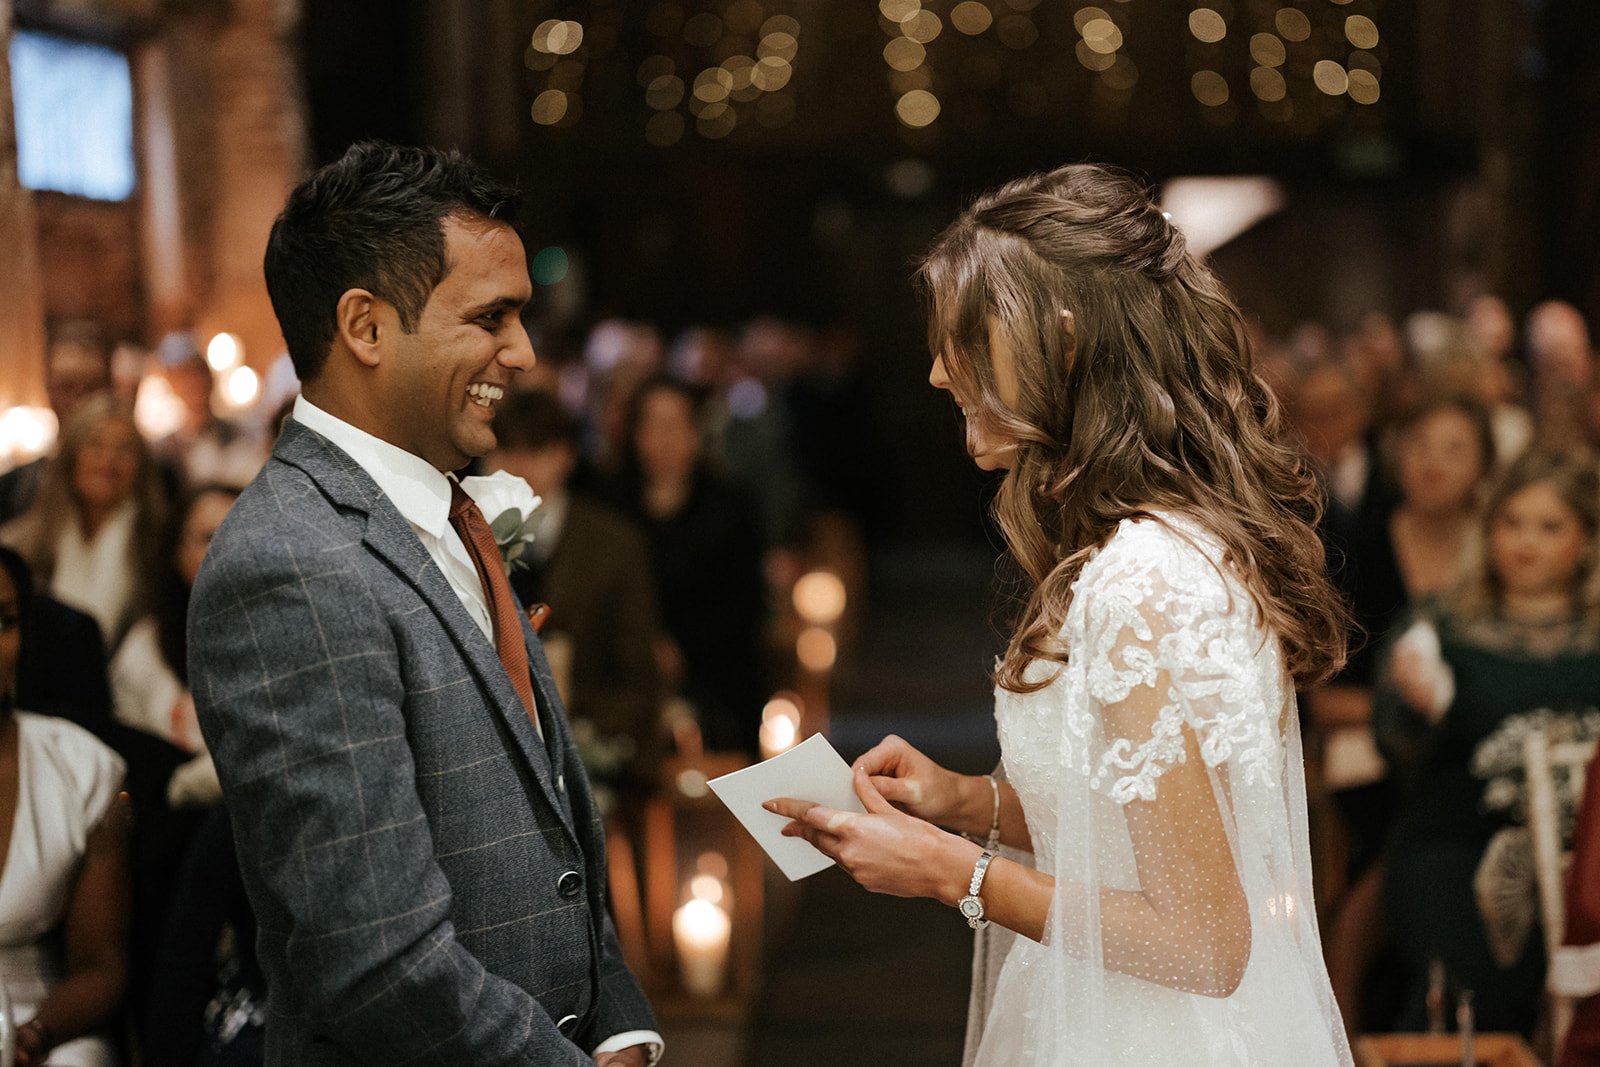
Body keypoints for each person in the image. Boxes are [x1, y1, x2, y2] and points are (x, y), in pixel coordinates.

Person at [766, 164, 1354, 1064]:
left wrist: (951, 874)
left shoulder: (1142, 579)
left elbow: (1203, 940)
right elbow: (1144, 828)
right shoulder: (1160, 544)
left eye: (967, 339)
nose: (935, 371)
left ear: (1065, 345)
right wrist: (965, 801)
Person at [187, 141, 659, 1065]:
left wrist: (623, 1024)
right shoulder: (292, 563)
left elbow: (551, 817)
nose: (523, 354)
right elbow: (375, 960)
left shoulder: (449, 505)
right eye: (491, 317)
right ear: (364, 326)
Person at [1376, 450, 1600, 1034]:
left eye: (1550, 527)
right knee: (1473, 992)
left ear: (1587, 540)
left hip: (1592, 858)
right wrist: (1417, 707)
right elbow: (1395, 752)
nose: (1526, 542)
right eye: (1512, 522)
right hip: (1461, 848)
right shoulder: (1441, 626)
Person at [486, 390, 663, 790]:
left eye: (536, 450)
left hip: (588, 743)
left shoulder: (614, 543)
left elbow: (637, 671)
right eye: (506, 450)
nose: (518, 465)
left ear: (565, 456)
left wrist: (576, 724)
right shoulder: (465, 535)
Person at [0, 546, 131, 1067]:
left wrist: (34, 1034)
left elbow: (102, 965)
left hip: (42, 1022)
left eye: (2, 621)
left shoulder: (84, 769)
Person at [607, 376, 768, 756]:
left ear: (696, 433)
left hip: (716, 679)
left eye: (676, 425)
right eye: (653, 425)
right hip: (629, 678)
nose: (664, 440)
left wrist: (681, 648)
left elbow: (747, 603)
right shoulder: (611, 507)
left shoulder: (732, 505)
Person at [2, 394, 168, 653]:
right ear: (72, 456)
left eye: (123, 449)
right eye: (95, 445)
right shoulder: (23, 541)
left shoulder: (160, 544)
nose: (108, 460)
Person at [0, 321, 113, 524]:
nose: (79, 401)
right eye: (67, 387)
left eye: (91, 388)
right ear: (48, 390)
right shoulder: (15, 487)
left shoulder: (141, 478)